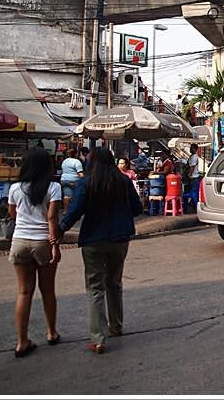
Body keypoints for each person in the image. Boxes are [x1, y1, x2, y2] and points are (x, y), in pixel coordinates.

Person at [58, 147, 143, 354]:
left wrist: (61, 229)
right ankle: (117, 326)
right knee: (114, 282)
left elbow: (75, 210)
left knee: (95, 287)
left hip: (93, 240)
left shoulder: (87, 182)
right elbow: (137, 208)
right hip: (120, 238)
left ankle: (98, 339)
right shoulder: (122, 181)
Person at [7, 148, 63, 358]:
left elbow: (13, 214)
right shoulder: (53, 187)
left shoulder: (15, 188)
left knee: (23, 292)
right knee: (47, 290)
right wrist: (55, 245)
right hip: (42, 242)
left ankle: (21, 342)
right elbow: (52, 218)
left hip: (19, 241)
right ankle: (51, 332)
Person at [184, 144, 200, 214]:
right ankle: (192, 206)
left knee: (194, 194)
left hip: (194, 177)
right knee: (192, 193)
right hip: (193, 177)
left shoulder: (194, 157)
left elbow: (192, 167)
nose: (190, 149)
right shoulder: (191, 156)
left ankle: (195, 208)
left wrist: (189, 174)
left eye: (191, 148)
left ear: (195, 149)